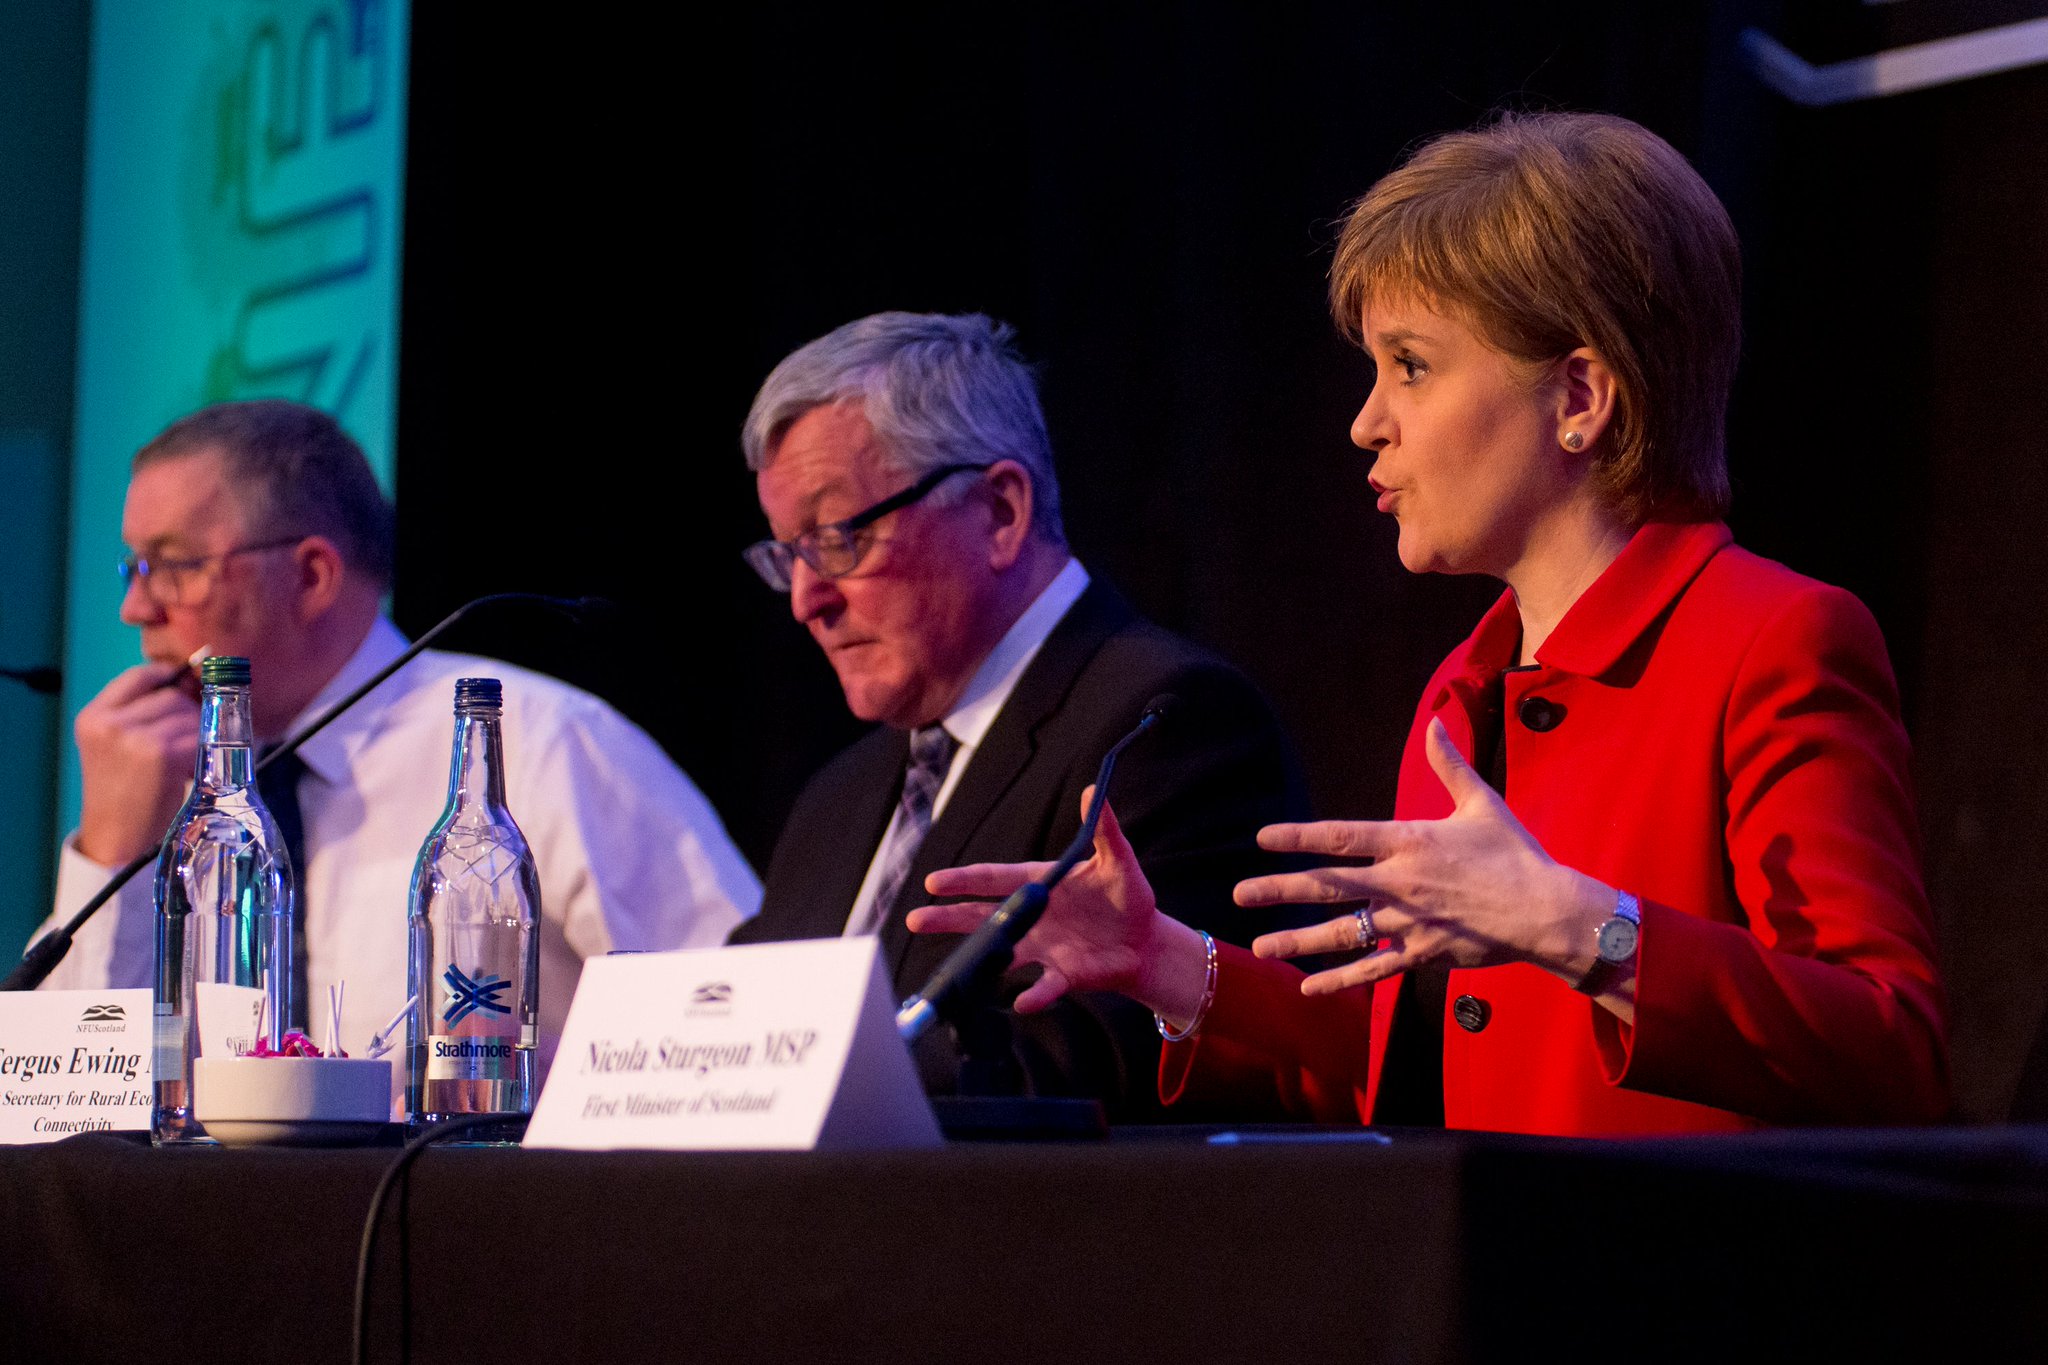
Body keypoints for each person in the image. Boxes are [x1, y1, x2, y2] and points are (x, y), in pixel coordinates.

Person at [912, 112, 1950, 1136]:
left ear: (1578, 397)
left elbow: (1890, 1054)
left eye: (1408, 364)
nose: (1365, 421)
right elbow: (1415, 1073)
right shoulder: (1461, 690)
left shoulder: (1771, 640)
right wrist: (1165, 962)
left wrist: (1585, 933)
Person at [34, 400, 760, 1091]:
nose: (136, 608)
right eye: (135, 567)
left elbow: (738, 1020)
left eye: (176, 565)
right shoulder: (174, 787)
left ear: (312, 576)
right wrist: (112, 850)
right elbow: (68, 1103)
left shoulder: (541, 744)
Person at [730, 311, 1311, 1115]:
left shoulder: (1166, 724)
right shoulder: (838, 798)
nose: (805, 600)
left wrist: (784, 1088)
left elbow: (1104, 1058)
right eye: (788, 553)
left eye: (837, 539)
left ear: (1000, 511)